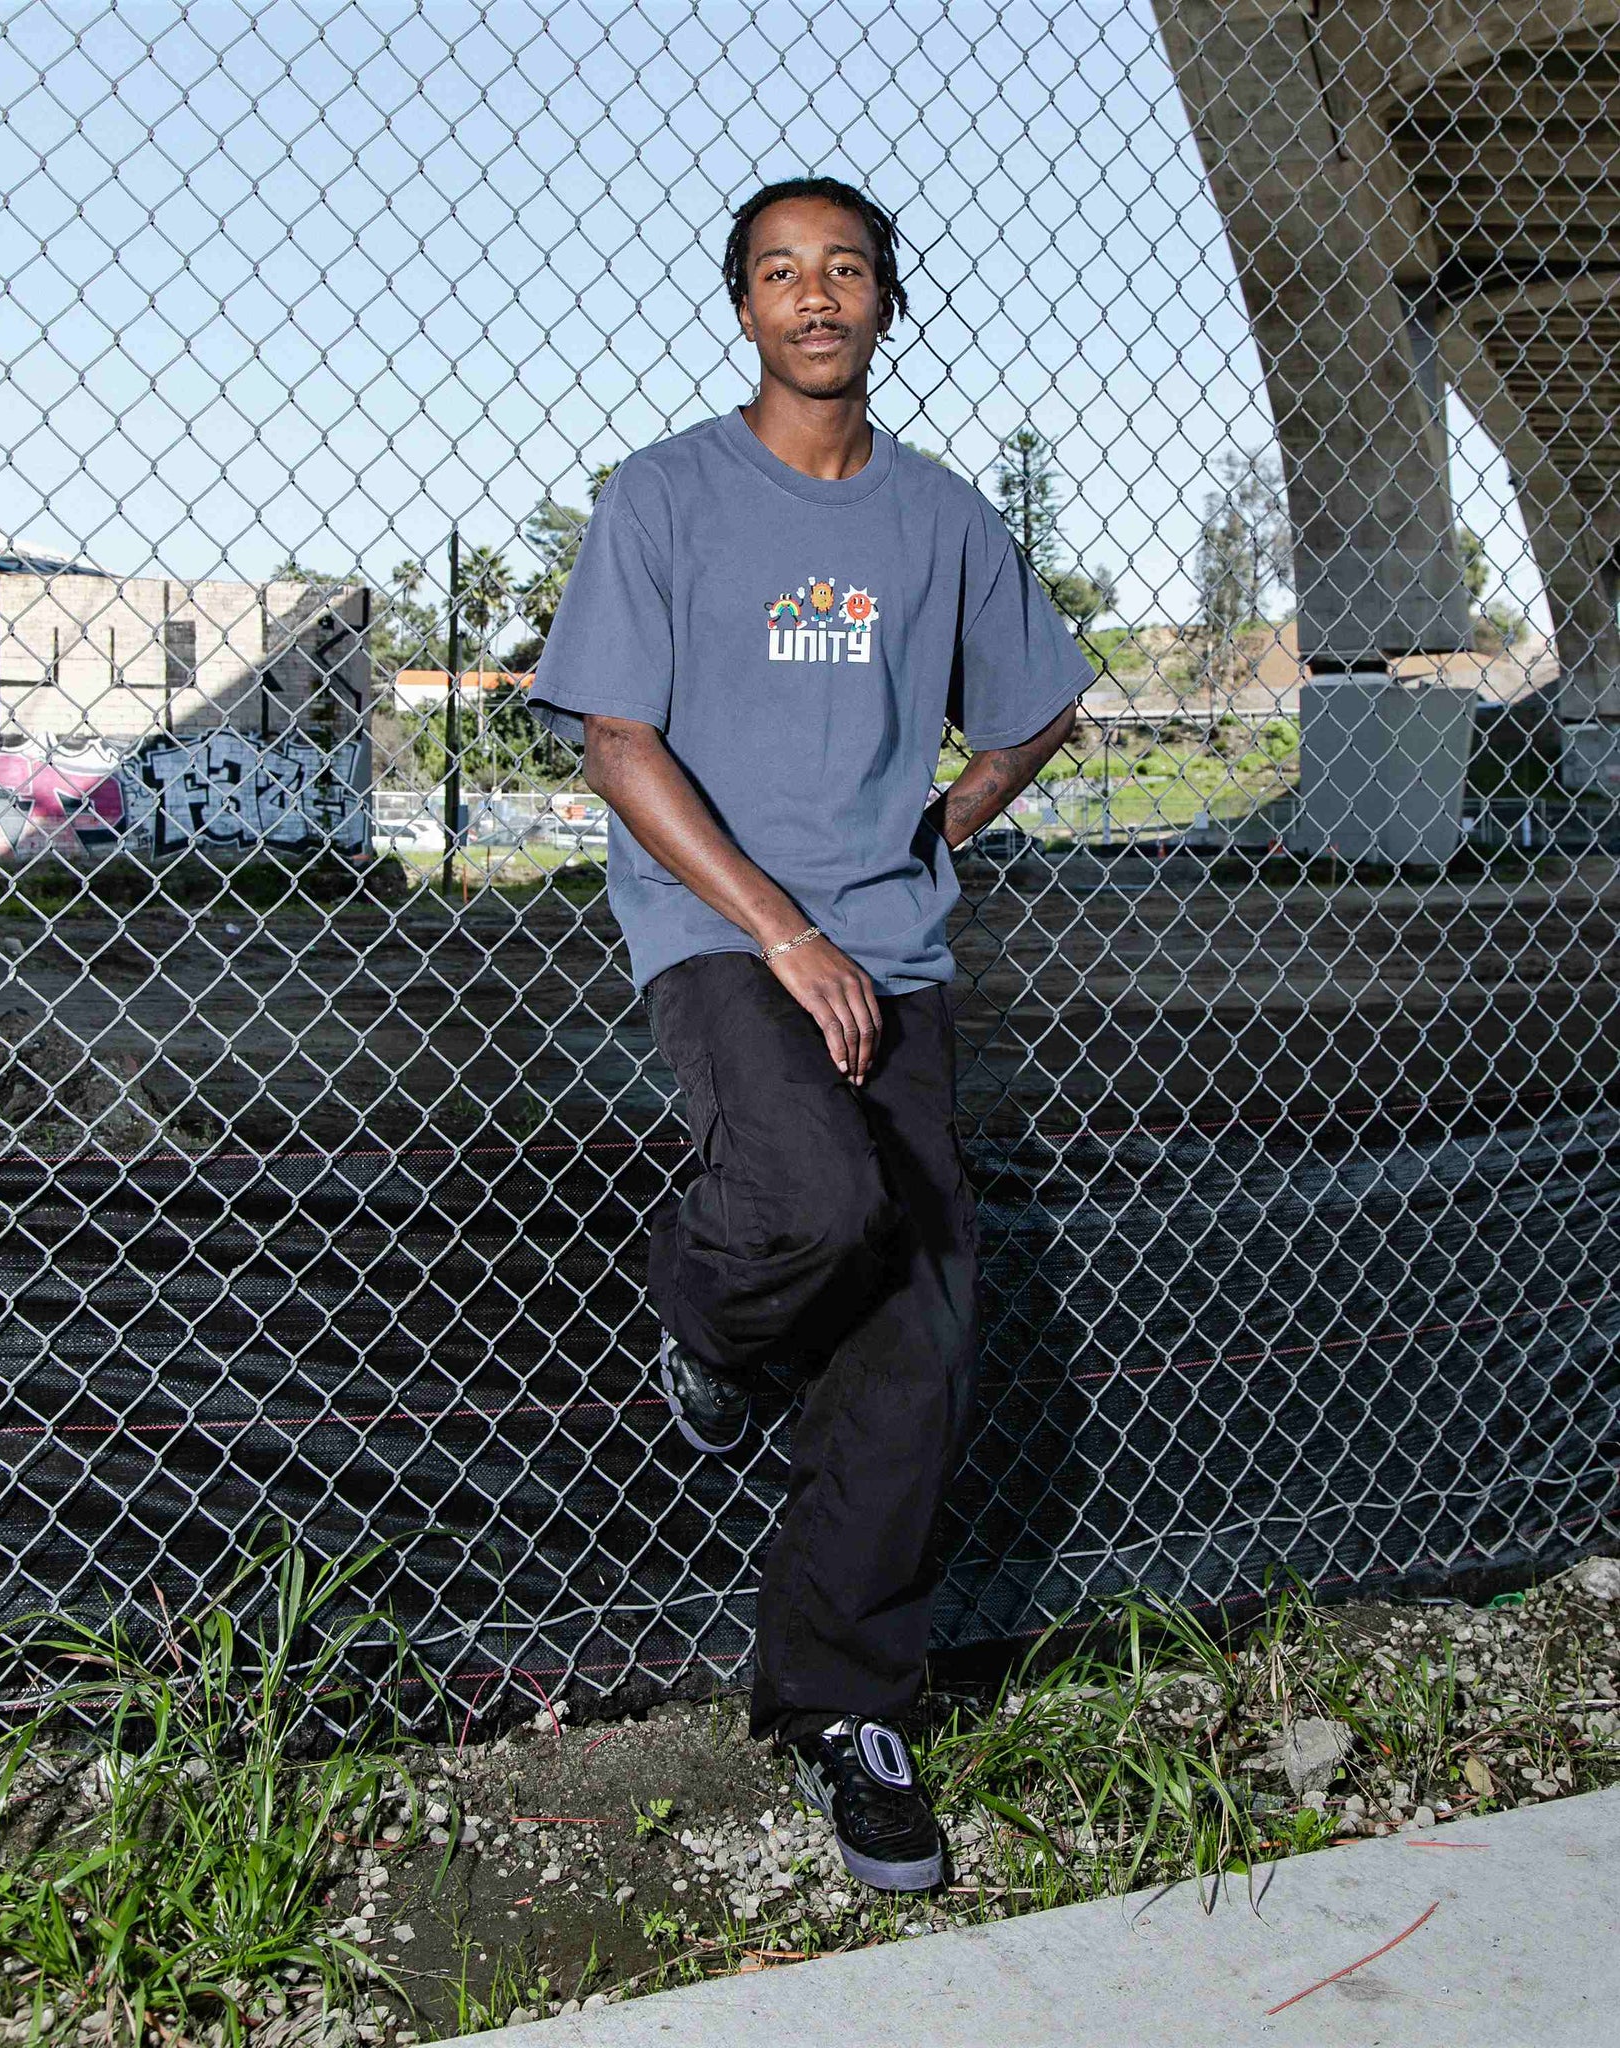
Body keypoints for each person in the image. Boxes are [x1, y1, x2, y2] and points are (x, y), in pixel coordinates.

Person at [526, 175, 1092, 1892]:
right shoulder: (668, 496)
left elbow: (1037, 704)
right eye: (781, 272)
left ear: (886, 302)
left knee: (914, 1335)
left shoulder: (940, 518)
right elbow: (615, 738)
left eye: (843, 268)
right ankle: (705, 1322)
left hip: (891, 949)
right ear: (743, 305)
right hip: (720, 930)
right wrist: (780, 921)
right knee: (810, 1205)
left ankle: (845, 1704)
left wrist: (938, 830)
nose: (814, 296)